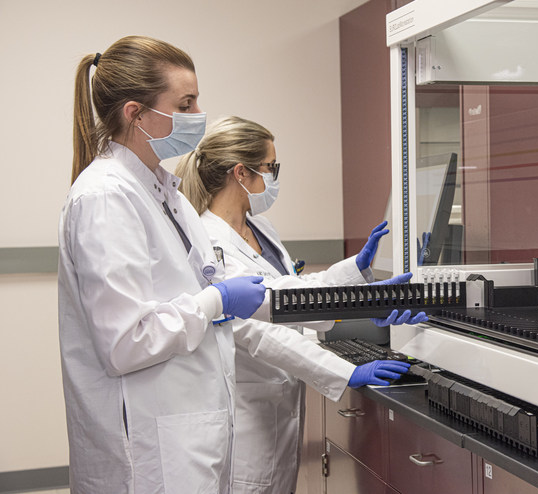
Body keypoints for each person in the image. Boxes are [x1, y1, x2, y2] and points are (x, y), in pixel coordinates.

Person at [59, 36, 270, 493]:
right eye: (185, 104)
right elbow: (126, 341)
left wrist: (348, 295)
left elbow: (207, 283)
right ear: (135, 113)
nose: (199, 115)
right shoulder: (106, 197)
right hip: (149, 447)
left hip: (186, 432)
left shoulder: (163, 191)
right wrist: (215, 302)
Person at [176, 115, 427, 494]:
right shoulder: (210, 245)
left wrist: (358, 284)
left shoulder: (261, 228)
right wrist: (344, 372)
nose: (274, 178)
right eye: (271, 168)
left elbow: (290, 292)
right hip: (248, 410)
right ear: (241, 173)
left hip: (281, 402)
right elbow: (258, 332)